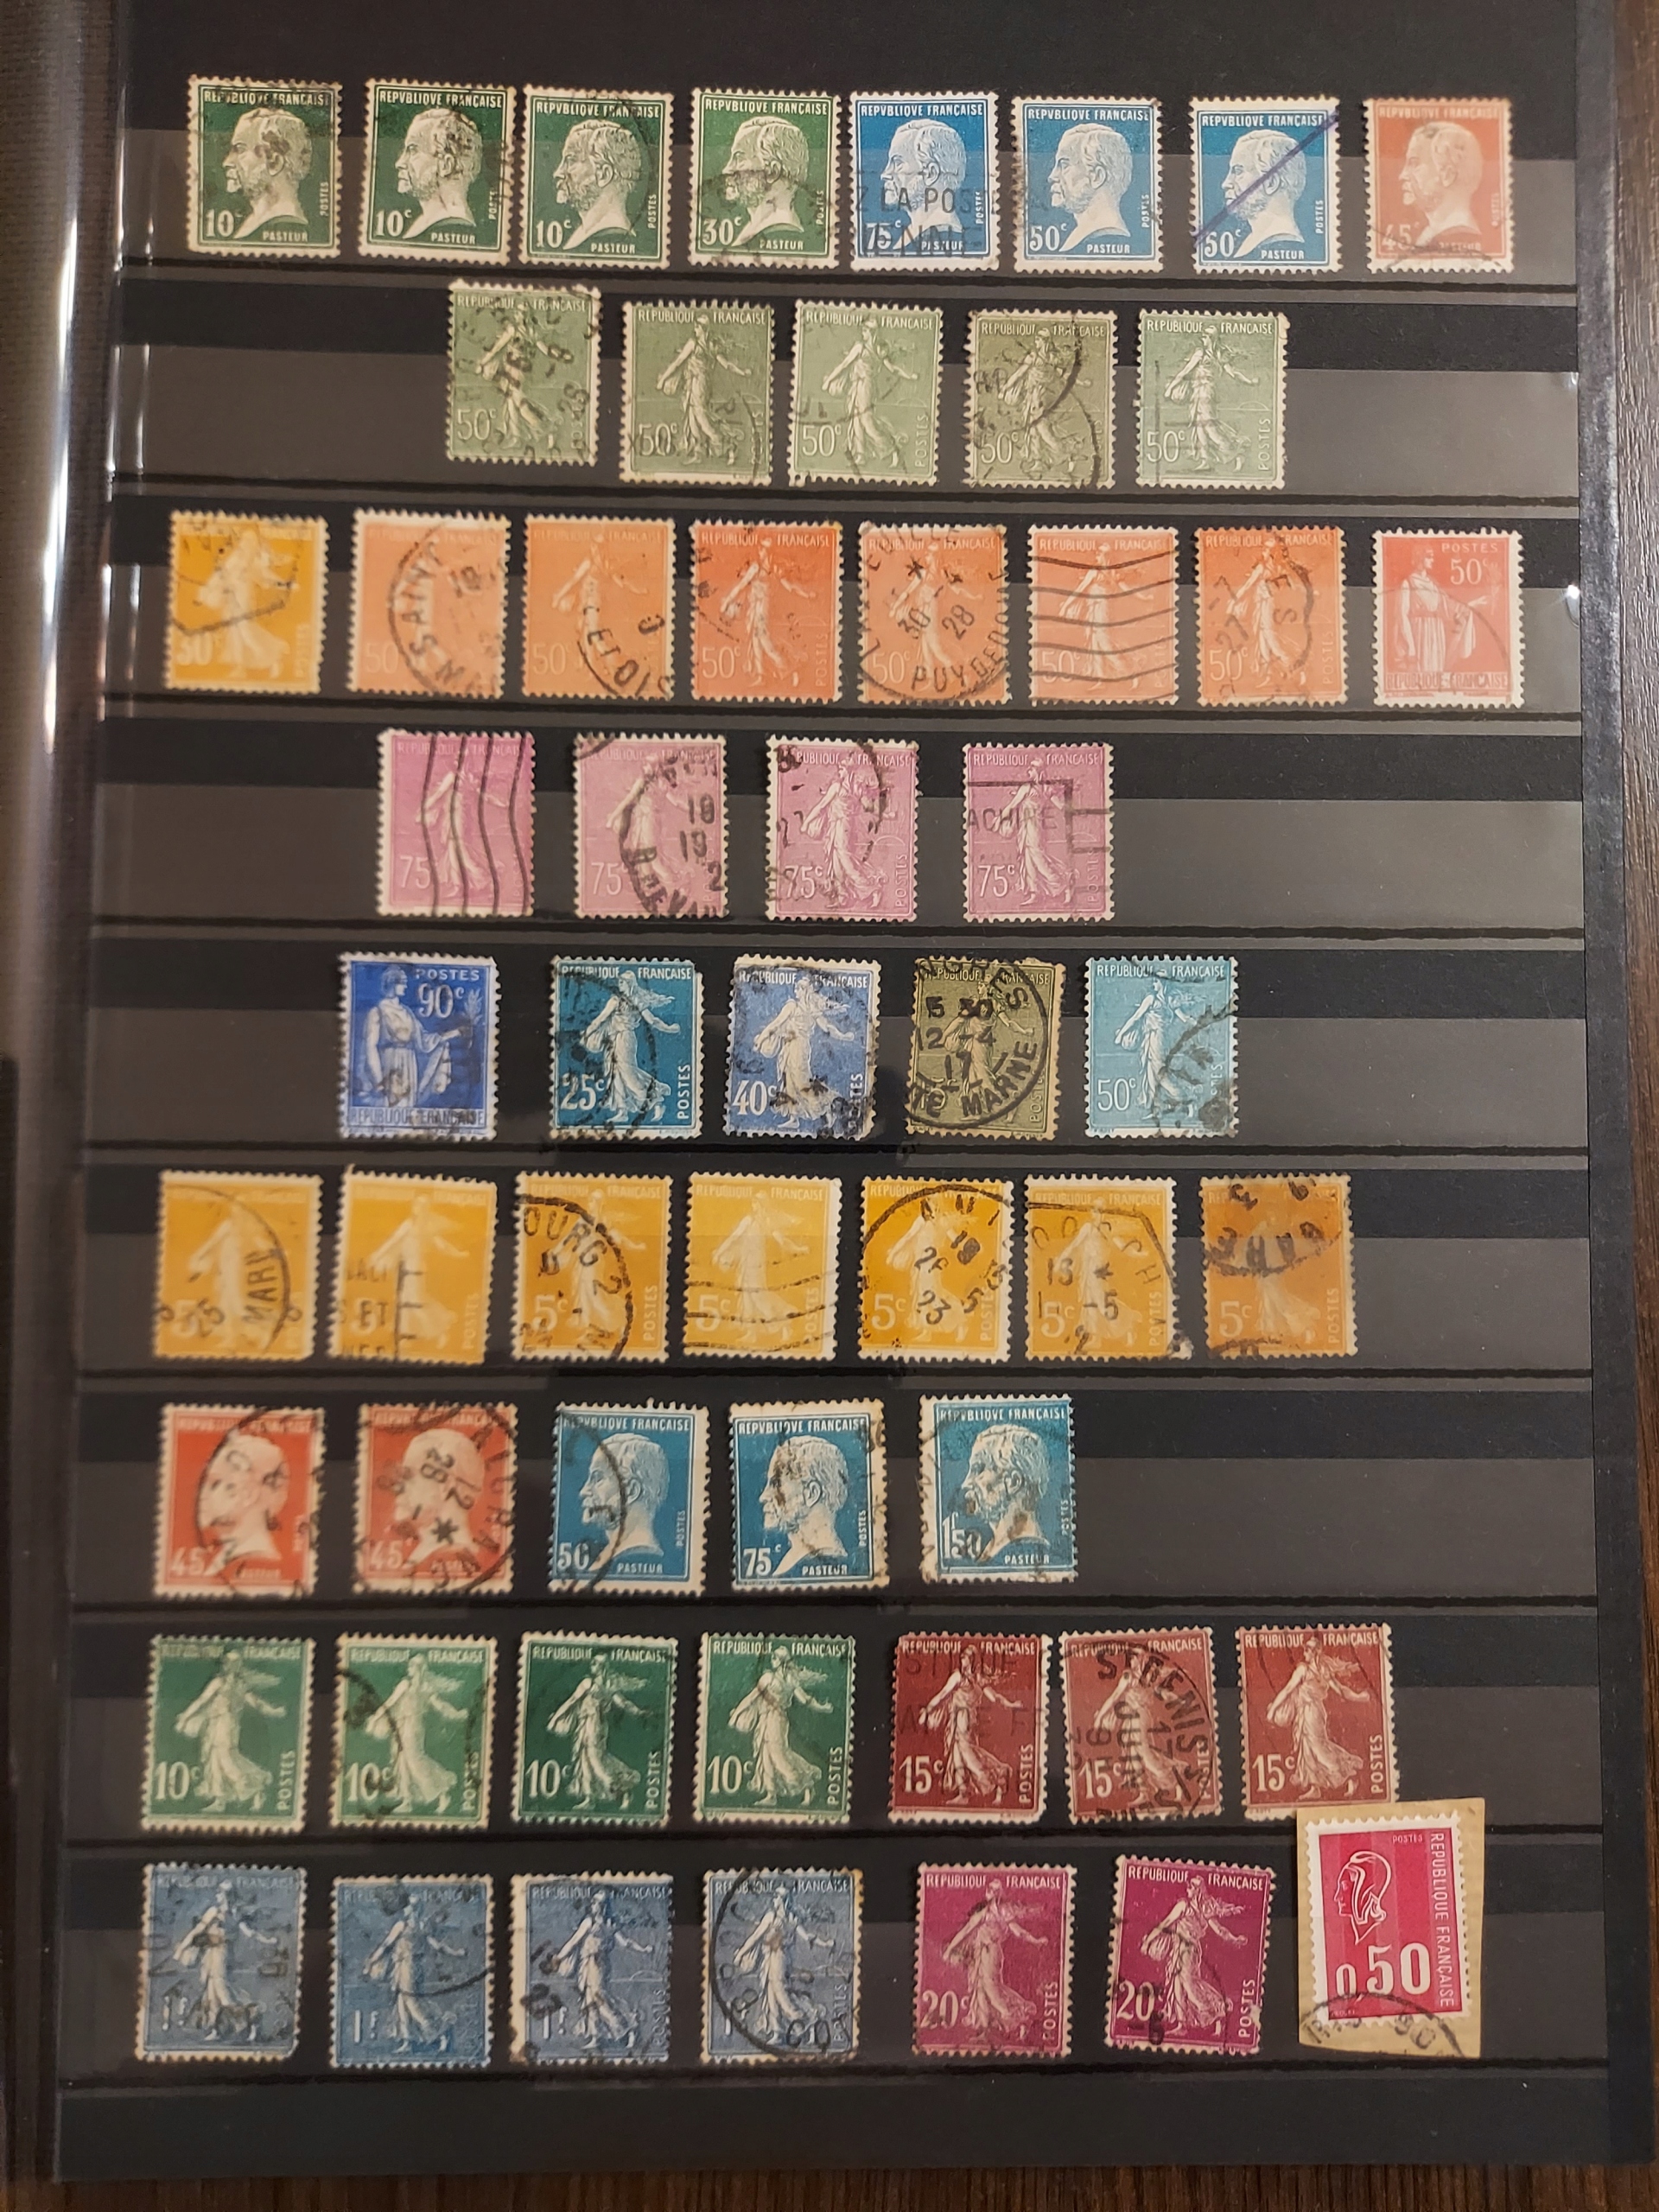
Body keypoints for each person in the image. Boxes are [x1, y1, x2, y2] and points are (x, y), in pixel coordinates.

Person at [172, 1648, 286, 1813]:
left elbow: (202, 1700)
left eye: (231, 1663)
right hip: (222, 1726)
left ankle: (252, 1788)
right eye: (228, 1662)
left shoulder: (225, 1683)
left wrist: (184, 1717)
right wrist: (273, 1711)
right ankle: (223, 1799)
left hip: (222, 1726)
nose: (228, 1665)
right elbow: (257, 1703)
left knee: (223, 1760)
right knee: (219, 1760)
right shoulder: (237, 1685)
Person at [1140, 1875, 1249, 2037]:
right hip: (1178, 1949)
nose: (1188, 1888)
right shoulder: (1183, 1905)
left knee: (1189, 1983)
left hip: (1189, 1951)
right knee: (1177, 1985)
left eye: (1191, 1886)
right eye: (1188, 1886)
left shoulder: (1202, 1910)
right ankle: (1182, 2025)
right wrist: (1148, 1941)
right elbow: (1165, 1924)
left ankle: (1216, 2009)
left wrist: (1234, 1939)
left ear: (1199, 1891)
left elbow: (1219, 1930)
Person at [169, 1880, 281, 2039]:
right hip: (212, 1956)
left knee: (223, 1995)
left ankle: (252, 2017)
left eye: (219, 1893)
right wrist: (269, 1941)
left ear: (225, 1895)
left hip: (220, 1956)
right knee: (211, 1996)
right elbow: (198, 1932)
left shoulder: (220, 1913)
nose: (217, 1896)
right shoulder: (229, 1914)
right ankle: (216, 2030)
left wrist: (181, 1949)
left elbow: (198, 1931)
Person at [364, 1649, 470, 1815]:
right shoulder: (405, 1685)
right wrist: (375, 1719)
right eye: (409, 1666)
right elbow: (390, 1703)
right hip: (402, 1725)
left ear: (419, 1669)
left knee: (415, 1761)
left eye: (412, 1666)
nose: (409, 1669)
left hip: (414, 1728)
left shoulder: (426, 1688)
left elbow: (441, 1706)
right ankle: (407, 1800)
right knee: (402, 1762)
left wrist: (456, 1714)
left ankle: (442, 1791)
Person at [748, 969, 857, 1130]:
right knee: (789, 1082)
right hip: (789, 1047)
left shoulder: (811, 1010)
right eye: (796, 987)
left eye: (800, 988)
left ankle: (829, 1104)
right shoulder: (791, 1006)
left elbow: (827, 1027)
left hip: (801, 1048)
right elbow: (775, 1025)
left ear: (807, 990)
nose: (796, 991)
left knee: (801, 1083)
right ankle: (794, 1118)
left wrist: (843, 1036)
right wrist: (761, 1040)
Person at [546, 1889, 652, 2050]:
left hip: (599, 1964)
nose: (594, 1905)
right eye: (593, 1902)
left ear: (604, 1906)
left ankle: (629, 2026)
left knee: (600, 1997)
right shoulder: (589, 1922)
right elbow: (574, 1941)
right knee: (590, 2000)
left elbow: (625, 1943)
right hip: (587, 1964)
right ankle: (596, 2037)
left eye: (597, 1902)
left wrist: (643, 1949)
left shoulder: (609, 1924)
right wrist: (559, 1958)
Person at [728, 1646, 832, 1808]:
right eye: (773, 1657)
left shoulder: (781, 1679)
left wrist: (822, 1708)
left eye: (775, 1657)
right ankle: (771, 1795)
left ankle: (807, 1784)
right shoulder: (774, 1678)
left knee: (779, 1757)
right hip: (766, 1719)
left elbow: (805, 1700)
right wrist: (736, 1714)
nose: (772, 1660)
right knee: (766, 1756)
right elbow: (752, 1697)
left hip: (777, 1721)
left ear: (782, 1661)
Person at [1265, 1637, 1370, 1797]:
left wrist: (1359, 1697)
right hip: (1306, 1713)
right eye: (1305, 1649)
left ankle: (1349, 1776)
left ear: (1316, 1652)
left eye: (1307, 1650)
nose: (1304, 1653)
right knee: (1308, 1749)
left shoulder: (1310, 1670)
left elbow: (1341, 1690)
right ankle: (1315, 1788)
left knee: (1318, 1748)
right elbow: (1288, 1690)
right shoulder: (1313, 1670)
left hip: (1313, 1713)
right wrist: (1273, 1709)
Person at [1092, 1645, 1194, 1808]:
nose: (1134, 1661)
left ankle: (1176, 1777)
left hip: (1139, 1717)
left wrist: (1099, 1719)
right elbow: (1115, 1698)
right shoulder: (1135, 1677)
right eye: (1133, 1657)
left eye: (1138, 1658)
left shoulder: (1141, 1677)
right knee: (1134, 1756)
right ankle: (1144, 1793)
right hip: (1131, 1718)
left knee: (1146, 1756)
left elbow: (1115, 1698)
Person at [363, 1891, 464, 2055]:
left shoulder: (402, 1926)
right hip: (409, 1967)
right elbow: (437, 1946)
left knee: (411, 2002)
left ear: (413, 1908)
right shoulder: (422, 1926)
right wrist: (456, 1953)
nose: (404, 1909)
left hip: (407, 1967)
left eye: (407, 1906)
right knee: (401, 2002)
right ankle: (407, 2041)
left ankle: (440, 2032)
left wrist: (371, 1961)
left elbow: (386, 1945)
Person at [359, 963, 462, 1124]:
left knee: (406, 1110)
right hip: (390, 1065)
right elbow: (370, 1047)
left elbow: (424, 1041)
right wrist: (378, 1080)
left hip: (408, 1065)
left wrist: (452, 1034)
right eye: (403, 983)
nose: (406, 986)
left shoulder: (407, 1012)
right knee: (391, 1111)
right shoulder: (377, 1011)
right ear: (392, 983)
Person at [941, 1880, 1046, 2037]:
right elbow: (965, 1931)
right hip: (981, 1953)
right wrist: (950, 1949)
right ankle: (984, 2029)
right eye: (989, 1889)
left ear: (997, 1894)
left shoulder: (1001, 1912)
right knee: (981, 1989)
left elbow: (1019, 1932)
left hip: (991, 1953)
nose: (989, 1891)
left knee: (991, 1989)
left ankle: (1017, 2019)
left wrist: (1035, 1941)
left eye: (992, 1890)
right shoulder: (985, 1912)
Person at [577, 969, 680, 1126]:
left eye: (622, 982)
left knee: (628, 1074)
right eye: (619, 982)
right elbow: (601, 1019)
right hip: (613, 1039)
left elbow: (651, 1020)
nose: (619, 984)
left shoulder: (628, 1001)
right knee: (615, 1074)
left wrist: (669, 1028)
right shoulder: (620, 1000)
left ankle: (653, 1099)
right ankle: (622, 1111)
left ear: (629, 984)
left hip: (624, 1039)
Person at [549, 1654, 651, 1812]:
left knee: (594, 1759)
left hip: (593, 1724)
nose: (592, 1665)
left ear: (602, 1667)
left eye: (595, 1663)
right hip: (591, 1725)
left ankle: (616, 1786)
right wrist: (638, 1712)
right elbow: (624, 1704)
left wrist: (555, 1718)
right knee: (586, 1759)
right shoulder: (609, 1687)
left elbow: (572, 1701)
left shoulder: (588, 1683)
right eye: (593, 1662)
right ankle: (590, 1798)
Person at [731, 1886, 833, 2044]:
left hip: (778, 1959)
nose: (774, 1899)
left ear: (783, 1900)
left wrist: (825, 1944)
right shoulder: (783, 1918)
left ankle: (802, 2021)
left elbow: (806, 1937)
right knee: (770, 1994)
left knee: (780, 1992)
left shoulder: (780, 1918)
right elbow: (756, 1936)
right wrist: (742, 1953)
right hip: (770, 1958)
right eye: (774, 1896)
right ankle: (777, 2031)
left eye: (777, 1897)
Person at [193, 525, 293, 680]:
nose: (246, 545)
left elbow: (267, 577)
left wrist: (285, 584)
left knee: (247, 632)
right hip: (231, 602)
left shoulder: (254, 563)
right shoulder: (234, 560)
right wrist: (205, 593)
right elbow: (219, 576)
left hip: (244, 602)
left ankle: (274, 656)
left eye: (250, 542)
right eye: (244, 541)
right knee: (234, 635)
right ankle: (240, 668)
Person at [921, 1644, 1017, 1805]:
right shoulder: (974, 1679)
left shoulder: (963, 1677)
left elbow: (994, 1697)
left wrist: (1010, 1704)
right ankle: (964, 1793)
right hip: (963, 1720)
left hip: (964, 1720)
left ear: (972, 1660)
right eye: (962, 1656)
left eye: (965, 1657)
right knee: (958, 1756)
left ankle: (1000, 1774)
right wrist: (928, 1709)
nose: (962, 1659)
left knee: (968, 1755)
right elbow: (944, 1694)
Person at [820, 315, 918, 473]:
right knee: (856, 419)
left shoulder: (867, 348)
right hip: (859, 385)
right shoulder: (868, 348)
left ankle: (892, 449)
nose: (862, 333)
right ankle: (860, 455)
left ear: (871, 333)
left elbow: (892, 369)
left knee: (866, 420)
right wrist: (830, 380)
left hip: (866, 387)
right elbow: (845, 364)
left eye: (865, 331)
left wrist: (909, 376)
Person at [388, 1423, 488, 1573]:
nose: (399, 1486)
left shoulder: (435, 1558)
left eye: (409, 1476)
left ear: (446, 1486)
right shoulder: (418, 1557)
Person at [711, 1188, 810, 1340]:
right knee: (747, 1299)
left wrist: (798, 1249)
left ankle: (785, 1320)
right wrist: (719, 1252)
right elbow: (733, 1238)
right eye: (753, 1202)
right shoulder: (750, 1220)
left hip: (756, 1267)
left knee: (759, 1297)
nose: (754, 1205)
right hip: (746, 1264)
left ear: (762, 1205)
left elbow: (782, 1241)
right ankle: (751, 1333)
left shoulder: (764, 1222)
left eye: (756, 1202)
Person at [655, 311, 753, 461]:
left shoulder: (694, 344)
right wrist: (743, 372)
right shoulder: (711, 345)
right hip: (698, 384)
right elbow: (727, 365)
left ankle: (725, 443)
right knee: (692, 416)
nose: (695, 328)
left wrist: (663, 380)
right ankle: (698, 452)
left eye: (697, 326)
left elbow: (678, 362)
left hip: (698, 384)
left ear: (703, 328)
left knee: (700, 416)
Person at [193, 1426, 291, 1574]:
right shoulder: (227, 1559)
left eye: (215, 1483)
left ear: (248, 1495)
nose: (201, 1495)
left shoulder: (256, 1560)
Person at [1162, 327, 1259, 473]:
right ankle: (1206, 460)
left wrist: (1249, 382)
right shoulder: (1204, 353)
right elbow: (1185, 371)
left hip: (1206, 392)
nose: (1202, 338)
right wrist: (1171, 387)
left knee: (1209, 427)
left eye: (1205, 336)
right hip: (1198, 392)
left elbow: (1233, 373)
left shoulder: (1212, 354)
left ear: (1211, 338)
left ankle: (1237, 452)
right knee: (1199, 426)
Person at [953, 1423, 1052, 1562]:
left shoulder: (1024, 1552)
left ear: (1013, 1482)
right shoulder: (990, 1551)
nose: (966, 1483)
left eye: (978, 1469)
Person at [797, 753, 885, 907]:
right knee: (836, 861)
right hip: (845, 827)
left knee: (845, 860)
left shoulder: (837, 787)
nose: (839, 771)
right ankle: (843, 897)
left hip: (841, 826)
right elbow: (869, 806)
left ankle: (872, 889)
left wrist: (806, 823)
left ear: (848, 771)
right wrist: (868, 792)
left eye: (842, 769)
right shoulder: (857, 788)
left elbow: (821, 806)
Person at [718, 541, 810, 683]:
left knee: (764, 640)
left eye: (762, 550)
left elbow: (789, 587)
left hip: (763, 607)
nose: (760, 552)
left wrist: (806, 594)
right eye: (760, 550)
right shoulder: (756, 567)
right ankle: (761, 676)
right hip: (755, 607)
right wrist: (727, 601)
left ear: (768, 552)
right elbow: (742, 585)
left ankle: (788, 668)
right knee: (755, 640)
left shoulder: (774, 568)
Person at [759, 1433, 850, 1576]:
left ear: (811, 1494)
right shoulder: (792, 1560)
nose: (763, 1497)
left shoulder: (821, 1559)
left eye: (776, 1484)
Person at [552, 116, 645, 251]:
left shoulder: (610, 236)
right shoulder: (582, 236)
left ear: (604, 175)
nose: (558, 173)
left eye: (571, 160)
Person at [220, 105, 312, 240]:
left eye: (240, 149)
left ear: (275, 163)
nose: (227, 162)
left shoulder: (286, 224)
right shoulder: (252, 224)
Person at [393, 105, 485, 241]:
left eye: (413, 150)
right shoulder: (422, 226)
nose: (399, 163)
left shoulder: (452, 225)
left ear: (445, 165)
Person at [719, 114, 812, 247]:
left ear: (772, 173)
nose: (727, 169)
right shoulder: (752, 232)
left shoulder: (780, 232)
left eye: (739, 158)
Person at [580, 1431, 670, 1562]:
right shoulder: (605, 1560)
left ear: (631, 1491)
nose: (584, 1491)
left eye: (598, 1478)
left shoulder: (636, 1557)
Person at [880, 118, 969, 248]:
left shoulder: (942, 234)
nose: (885, 174)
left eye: (898, 163)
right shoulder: (913, 235)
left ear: (931, 174)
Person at [1398, 119, 1486, 249]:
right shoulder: (1429, 237)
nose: (1402, 175)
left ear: (1447, 175)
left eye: (1414, 163)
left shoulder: (1458, 236)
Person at [1218, 127, 1307, 256]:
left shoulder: (1282, 242)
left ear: (1271, 183)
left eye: (1238, 171)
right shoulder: (1252, 241)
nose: (1226, 183)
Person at [1046, 121, 1134, 245]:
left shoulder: (1103, 236)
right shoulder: (1079, 238)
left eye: (1064, 165)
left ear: (1097, 177)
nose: (1052, 176)